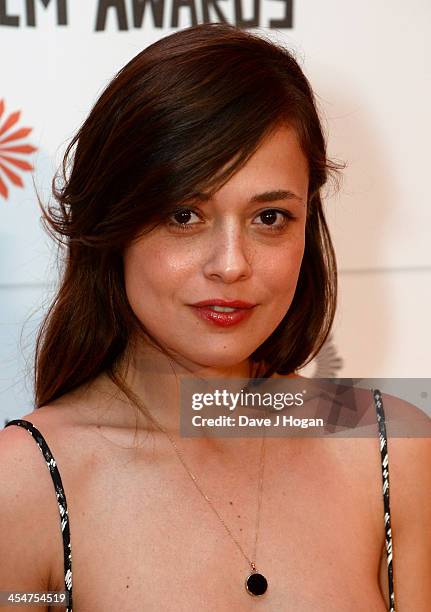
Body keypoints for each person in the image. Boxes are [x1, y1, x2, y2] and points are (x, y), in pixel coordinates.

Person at [0, 22, 430, 612]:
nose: (231, 266)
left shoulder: (392, 453)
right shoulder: (25, 485)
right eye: (184, 214)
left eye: (270, 218)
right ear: (114, 223)